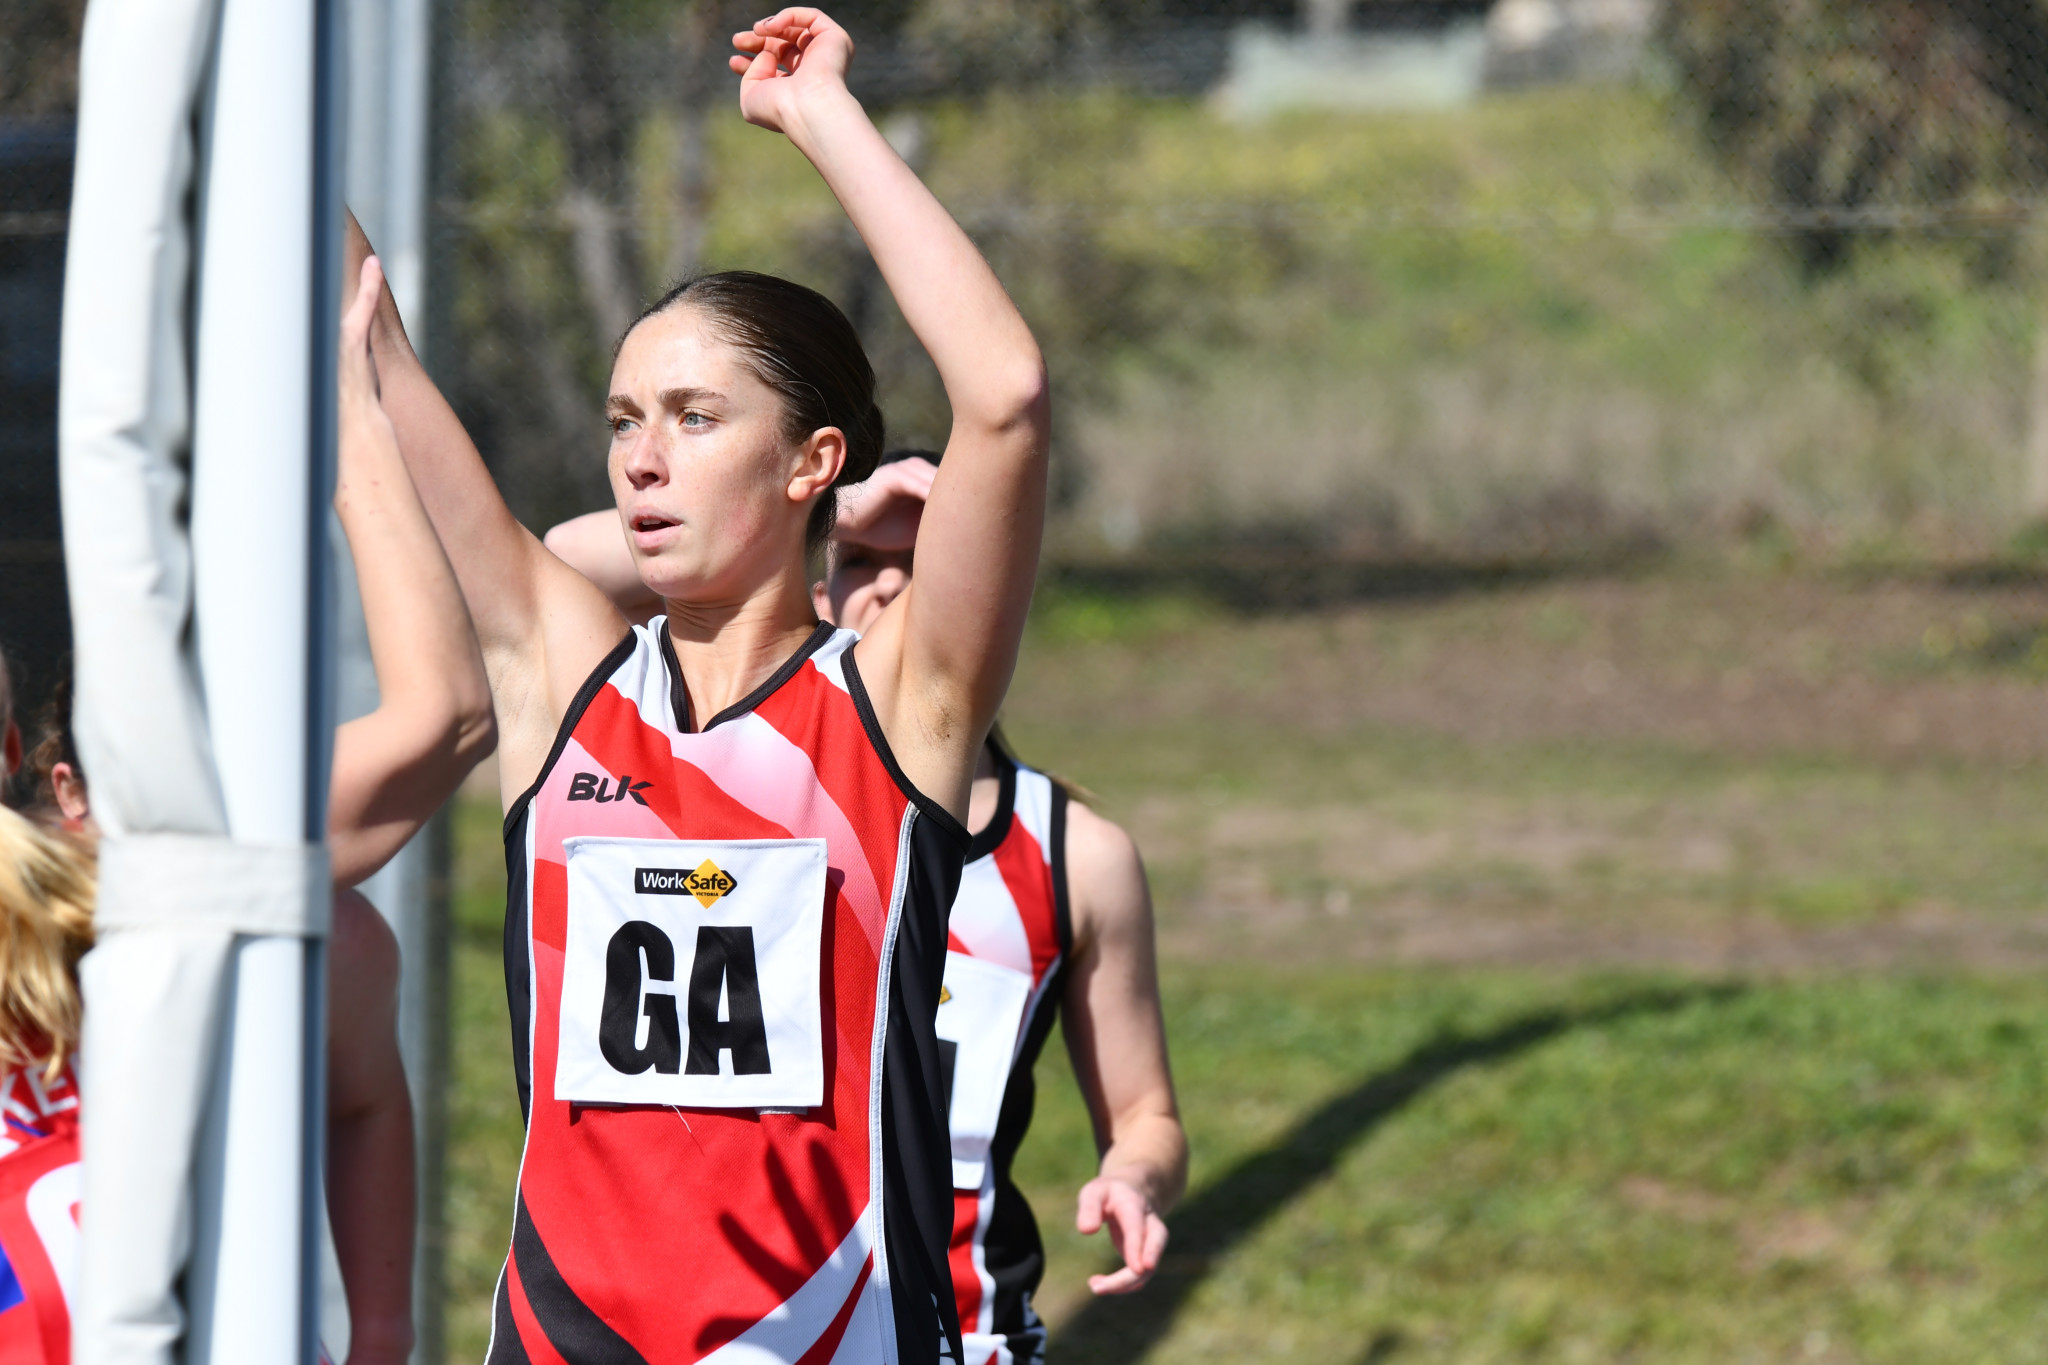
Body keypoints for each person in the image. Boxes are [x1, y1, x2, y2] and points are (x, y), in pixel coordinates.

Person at [349, 9, 1050, 1359]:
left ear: (813, 462)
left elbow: (1005, 394)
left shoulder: (896, 705)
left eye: (695, 416)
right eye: (623, 420)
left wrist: (819, 113)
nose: (641, 458)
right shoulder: (567, 682)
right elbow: (365, 347)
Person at [550, 450, 1187, 1364]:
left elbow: (1146, 1114)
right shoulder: (740, 798)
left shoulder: (1074, 855)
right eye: (860, 562)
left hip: (960, 1337)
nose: (888, 586)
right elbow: (563, 567)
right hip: (752, 1330)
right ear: (821, 588)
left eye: (922, 562)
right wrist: (828, 507)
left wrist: (1135, 1176)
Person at [18, 255, 494, 1365]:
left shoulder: (323, 940)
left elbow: (362, 1103)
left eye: (232, 757)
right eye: (163, 761)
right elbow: (447, 720)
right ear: (66, 791)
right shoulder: (41, 899)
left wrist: (381, 1333)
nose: (208, 794)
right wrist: (352, 432)